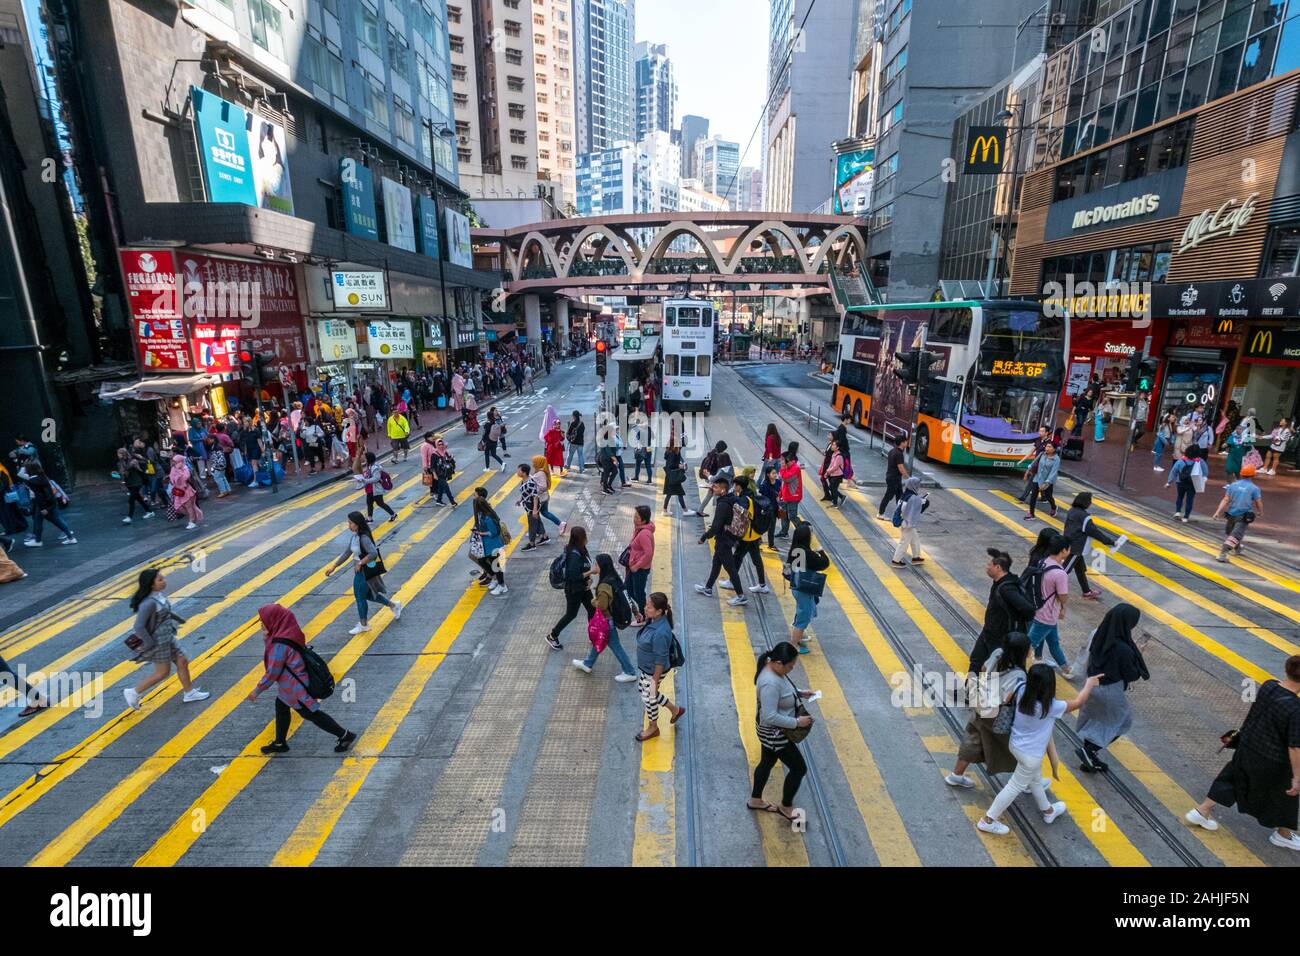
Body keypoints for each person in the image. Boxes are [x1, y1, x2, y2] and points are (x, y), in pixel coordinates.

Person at [1186, 654, 1300, 851]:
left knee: (1231, 778)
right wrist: (1297, 776)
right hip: (1272, 759)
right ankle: (1283, 834)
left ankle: (1201, 810)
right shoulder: (1296, 709)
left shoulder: (1268, 685)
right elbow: (1294, 746)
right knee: (1286, 794)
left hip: (1247, 746)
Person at [977, 665, 1102, 834]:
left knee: (1035, 779)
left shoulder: (1020, 688)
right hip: (1031, 754)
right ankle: (988, 820)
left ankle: (1048, 811)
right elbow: (1079, 702)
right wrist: (1089, 684)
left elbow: (1006, 701)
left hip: (1015, 745)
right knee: (1014, 787)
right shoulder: (1050, 706)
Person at [248, 603, 356, 755]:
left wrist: (257, 691)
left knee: (311, 714)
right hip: (294, 684)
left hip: (295, 688)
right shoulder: (287, 632)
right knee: (281, 705)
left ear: (274, 621)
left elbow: (272, 672)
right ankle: (280, 743)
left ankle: (345, 735)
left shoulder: (279, 645)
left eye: (264, 621)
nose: (261, 624)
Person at [947, 632, 1034, 788]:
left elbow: (983, 667)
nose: (1031, 650)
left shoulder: (998, 653)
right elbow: (1008, 698)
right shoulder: (1019, 675)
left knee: (974, 738)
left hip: (980, 704)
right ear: (1022, 652)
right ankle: (1028, 783)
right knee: (1013, 747)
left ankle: (956, 776)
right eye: (1029, 648)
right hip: (996, 715)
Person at [1074, 603, 1149, 773]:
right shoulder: (1123, 649)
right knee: (1121, 722)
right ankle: (1089, 751)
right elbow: (1132, 675)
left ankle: (1089, 760)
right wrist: (1138, 653)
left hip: (1091, 685)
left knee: (1094, 719)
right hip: (1110, 690)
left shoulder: (1098, 634)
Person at [123, 568, 210, 710]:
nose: (164, 581)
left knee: (182, 661)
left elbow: (165, 612)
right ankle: (133, 692)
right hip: (158, 643)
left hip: (167, 638)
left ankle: (189, 693)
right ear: (151, 584)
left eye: (163, 578)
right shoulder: (148, 603)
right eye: (160, 580)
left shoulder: (158, 596)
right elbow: (139, 626)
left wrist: (178, 619)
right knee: (162, 673)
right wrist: (150, 643)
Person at [748, 642, 815, 821]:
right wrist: (797, 722)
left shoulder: (773, 670)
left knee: (767, 762)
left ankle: (755, 799)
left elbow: (783, 692)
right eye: (790, 666)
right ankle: (786, 806)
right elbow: (770, 716)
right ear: (778, 663)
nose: (791, 669)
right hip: (775, 733)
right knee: (799, 768)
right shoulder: (769, 683)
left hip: (770, 731)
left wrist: (800, 693)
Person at [325, 511, 402, 633]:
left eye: (350, 523)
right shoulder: (355, 536)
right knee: (368, 595)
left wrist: (360, 563)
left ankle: (364, 624)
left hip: (364, 571)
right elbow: (347, 553)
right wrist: (334, 566)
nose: (348, 525)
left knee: (360, 597)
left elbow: (373, 553)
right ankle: (394, 605)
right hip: (360, 570)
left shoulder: (364, 537)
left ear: (357, 524)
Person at [968, 549, 1037, 675]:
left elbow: (1029, 609)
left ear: (998, 567)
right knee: (976, 661)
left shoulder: (1007, 588)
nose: (987, 567)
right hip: (989, 632)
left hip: (1001, 637)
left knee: (1001, 670)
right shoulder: (1000, 583)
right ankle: (970, 692)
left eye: (989, 565)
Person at [574, 553, 639, 682]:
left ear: (602, 566)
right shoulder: (614, 578)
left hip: (607, 621)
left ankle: (630, 671)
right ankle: (588, 663)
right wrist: (636, 611)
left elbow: (602, 605)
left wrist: (593, 601)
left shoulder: (604, 586)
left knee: (615, 645)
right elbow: (625, 595)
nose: (594, 566)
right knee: (599, 641)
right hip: (611, 619)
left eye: (596, 564)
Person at [634, 592, 685, 742]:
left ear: (659, 611)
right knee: (647, 692)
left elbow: (660, 660)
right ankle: (675, 710)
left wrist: (655, 681)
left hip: (653, 671)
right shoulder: (653, 620)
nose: (645, 608)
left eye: (649, 607)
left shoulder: (661, 632)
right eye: (646, 605)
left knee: (649, 697)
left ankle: (653, 727)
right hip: (647, 668)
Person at [1027, 532, 1074, 678]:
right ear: (1063, 551)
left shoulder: (1044, 562)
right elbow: (1063, 596)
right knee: (1027, 647)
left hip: (1042, 610)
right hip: (1046, 616)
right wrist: (1063, 605)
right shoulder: (1060, 574)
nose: (1070, 551)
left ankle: (1066, 669)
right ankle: (1011, 669)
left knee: (1054, 642)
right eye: (1069, 549)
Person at [1061, 492, 1123, 600]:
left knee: (1080, 570)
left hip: (1069, 543)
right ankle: (1049, 589)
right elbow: (1094, 532)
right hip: (1077, 548)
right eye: (1090, 501)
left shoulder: (1071, 511)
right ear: (1086, 503)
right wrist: (1110, 542)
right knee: (1064, 571)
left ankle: (1087, 591)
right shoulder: (1085, 517)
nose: (1091, 503)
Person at [695, 476, 746, 606]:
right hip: (726, 538)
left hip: (724, 539)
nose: (713, 488)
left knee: (731, 569)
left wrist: (704, 537)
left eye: (716, 487)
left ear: (723, 490)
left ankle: (741, 596)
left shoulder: (723, 504)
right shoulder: (730, 498)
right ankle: (708, 588)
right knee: (716, 563)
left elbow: (716, 526)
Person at [723, 475, 771, 597]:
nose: (734, 487)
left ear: (739, 486)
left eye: (735, 485)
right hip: (754, 534)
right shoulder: (751, 494)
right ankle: (762, 585)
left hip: (747, 535)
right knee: (756, 560)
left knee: (737, 558)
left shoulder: (744, 499)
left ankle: (732, 582)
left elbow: (740, 514)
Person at [546, 525, 594, 650]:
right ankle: (552, 635)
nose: (586, 538)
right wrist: (590, 573)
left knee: (592, 609)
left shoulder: (581, 548)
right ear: (579, 539)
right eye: (584, 536)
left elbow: (585, 567)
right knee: (571, 614)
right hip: (574, 590)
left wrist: (588, 580)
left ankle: (593, 635)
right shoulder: (573, 555)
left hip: (583, 587)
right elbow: (574, 576)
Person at [785, 523, 829, 654]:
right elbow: (824, 564)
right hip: (806, 588)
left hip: (796, 586)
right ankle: (794, 644)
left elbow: (787, 568)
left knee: (803, 611)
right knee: (804, 616)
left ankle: (799, 635)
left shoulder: (794, 549)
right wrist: (821, 551)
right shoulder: (808, 554)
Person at [1212, 463, 1262, 562]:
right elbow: (1258, 501)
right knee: (1234, 535)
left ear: (1241, 474)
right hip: (1244, 515)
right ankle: (1226, 552)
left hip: (1231, 513)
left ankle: (1231, 550)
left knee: (1232, 533)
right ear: (1253, 475)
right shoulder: (1254, 488)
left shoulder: (1233, 485)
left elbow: (1226, 499)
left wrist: (1217, 512)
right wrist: (1260, 511)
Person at [467, 488, 508, 595]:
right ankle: (495, 579)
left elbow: (493, 532)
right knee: (482, 561)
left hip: (493, 544)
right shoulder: (482, 515)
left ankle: (502, 585)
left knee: (496, 565)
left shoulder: (487, 518)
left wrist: (482, 533)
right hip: (486, 544)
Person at [889, 475, 927, 566]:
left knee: (915, 538)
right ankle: (896, 560)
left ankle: (916, 557)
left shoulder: (906, 494)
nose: (918, 486)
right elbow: (911, 509)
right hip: (907, 523)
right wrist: (921, 502)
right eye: (918, 485)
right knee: (904, 541)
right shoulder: (913, 497)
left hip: (905, 521)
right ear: (914, 485)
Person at [625, 505, 654, 623]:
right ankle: (647, 609)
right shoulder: (639, 528)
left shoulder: (644, 534)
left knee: (639, 593)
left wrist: (637, 566)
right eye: (634, 516)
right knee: (628, 589)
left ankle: (644, 616)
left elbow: (649, 554)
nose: (634, 519)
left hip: (640, 569)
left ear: (643, 520)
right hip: (634, 567)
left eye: (637, 517)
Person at [1165, 445, 1206, 523]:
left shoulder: (1181, 461)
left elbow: (1174, 471)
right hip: (1193, 483)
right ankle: (1186, 517)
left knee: (1180, 497)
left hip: (1181, 482)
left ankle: (1177, 512)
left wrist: (1169, 482)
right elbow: (1205, 472)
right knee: (1189, 500)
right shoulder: (1200, 461)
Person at [354, 451, 397, 522]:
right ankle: (369, 518)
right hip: (370, 489)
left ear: (369, 459)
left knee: (380, 503)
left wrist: (364, 480)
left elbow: (376, 478)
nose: (364, 459)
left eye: (365, 458)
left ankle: (393, 514)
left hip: (375, 489)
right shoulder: (370, 466)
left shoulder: (375, 467)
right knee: (369, 503)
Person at [695, 440, 733, 517]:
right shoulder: (720, 457)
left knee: (709, 495)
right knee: (716, 498)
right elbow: (720, 473)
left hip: (713, 479)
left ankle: (700, 510)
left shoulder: (712, 453)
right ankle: (716, 515)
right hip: (717, 480)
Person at [1024, 441, 1060, 520]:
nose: (1047, 448)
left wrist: (1047, 482)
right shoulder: (1042, 454)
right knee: (1033, 496)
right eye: (1047, 446)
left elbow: (1053, 472)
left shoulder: (1056, 459)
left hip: (1047, 481)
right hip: (1037, 478)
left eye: (1050, 447)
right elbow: (1033, 463)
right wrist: (1027, 472)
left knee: (1048, 496)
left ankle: (1054, 507)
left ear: (1054, 449)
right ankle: (1031, 514)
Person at [117, 447, 154, 523]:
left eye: (119, 453)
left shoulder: (133, 460)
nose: (118, 455)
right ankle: (149, 512)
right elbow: (122, 473)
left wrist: (130, 467)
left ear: (123, 453)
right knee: (139, 499)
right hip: (129, 483)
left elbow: (140, 470)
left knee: (131, 499)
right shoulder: (120, 462)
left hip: (137, 482)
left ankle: (129, 517)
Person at [878, 433, 910, 517]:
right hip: (894, 479)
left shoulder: (892, 451)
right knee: (888, 496)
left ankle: (899, 514)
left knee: (899, 496)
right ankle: (880, 513)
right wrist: (908, 477)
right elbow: (901, 468)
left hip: (893, 477)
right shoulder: (899, 454)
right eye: (906, 442)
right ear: (902, 443)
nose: (907, 443)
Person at [168, 454, 203, 531]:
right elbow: (171, 479)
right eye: (173, 461)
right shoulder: (173, 469)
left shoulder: (185, 468)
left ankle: (192, 521)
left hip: (187, 491)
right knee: (178, 507)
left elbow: (185, 477)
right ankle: (194, 516)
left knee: (189, 506)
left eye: (174, 461)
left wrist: (179, 471)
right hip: (178, 492)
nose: (173, 462)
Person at [1016, 426, 1051, 502]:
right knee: (1039, 482)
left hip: (1043, 466)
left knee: (1031, 481)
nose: (1040, 432)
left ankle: (1023, 497)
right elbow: (1031, 452)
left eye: (1042, 431)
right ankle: (1044, 498)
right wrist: (1022, 460)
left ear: (1046, 433)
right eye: (1040, 431)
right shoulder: (1038, 440)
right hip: (1036, 465)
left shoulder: (1049, 443)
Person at [776, 449, 804, 537]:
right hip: (785, 495)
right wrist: (780, 493)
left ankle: (803, 530)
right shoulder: (788, 467)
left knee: (792, 516)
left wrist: (783, 467)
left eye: (783, 460)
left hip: (793, 497)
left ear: (792, 461)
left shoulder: (795, 468)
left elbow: (786, 479)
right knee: (783, 515)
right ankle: (784, 532)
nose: (782, 462)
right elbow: (783, 482)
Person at [757, 464, 782, 550]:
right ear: (768, 474)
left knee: (772, 527)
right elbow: (762, 497)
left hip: (775, 508)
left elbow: (780, 493)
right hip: (767, 509)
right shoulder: (764, 485)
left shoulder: (778, 482)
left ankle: (771, 544)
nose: (775, 475)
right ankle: (757, 540)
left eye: (776, 473)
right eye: (773, 473)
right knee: (764, 526)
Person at [662, 442, 688, 513]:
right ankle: (685, 510)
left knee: (669, 493)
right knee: (680, 493)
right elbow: (671, 465)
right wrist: (679, 466)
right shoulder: (674, 453)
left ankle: (664, 510)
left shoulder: (669, 451)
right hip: (673, 477)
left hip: (669, 476)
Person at [823, 438, 847, 507]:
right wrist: (827, 473)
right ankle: (841, 497)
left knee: (833, 488)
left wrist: (828, 471)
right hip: (832, 475)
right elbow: (831, 464)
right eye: (832, 445)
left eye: (834, 445)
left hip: (837, 475)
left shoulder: (839, 456)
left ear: (837, 447)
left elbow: (835, 467)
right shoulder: (834, 454)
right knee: (832, 488)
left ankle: (835, 503)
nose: (832, 446)